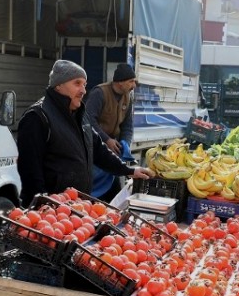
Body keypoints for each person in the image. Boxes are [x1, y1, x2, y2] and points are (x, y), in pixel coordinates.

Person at [17, 60, 152, 205]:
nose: (83, 90)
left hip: (76, 209)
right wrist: (43, 207)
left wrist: (129, 170)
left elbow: (99, 151)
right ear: (59, 85)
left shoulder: (79, 114)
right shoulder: (37, 117)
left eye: (84, 84)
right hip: (52, 215)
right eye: (77, 83)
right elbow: (30, 174)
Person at [84, 63, 138, 199]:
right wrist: (106, 140)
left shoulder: (128, 97)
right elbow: (88, 120)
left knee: (113, 191)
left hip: (113, 151)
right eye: (131, 81)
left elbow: (127, 125)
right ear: (120, 83)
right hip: (95, 149)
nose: (134, 85)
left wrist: (125, 142)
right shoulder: (99, 93)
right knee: (92, 189)